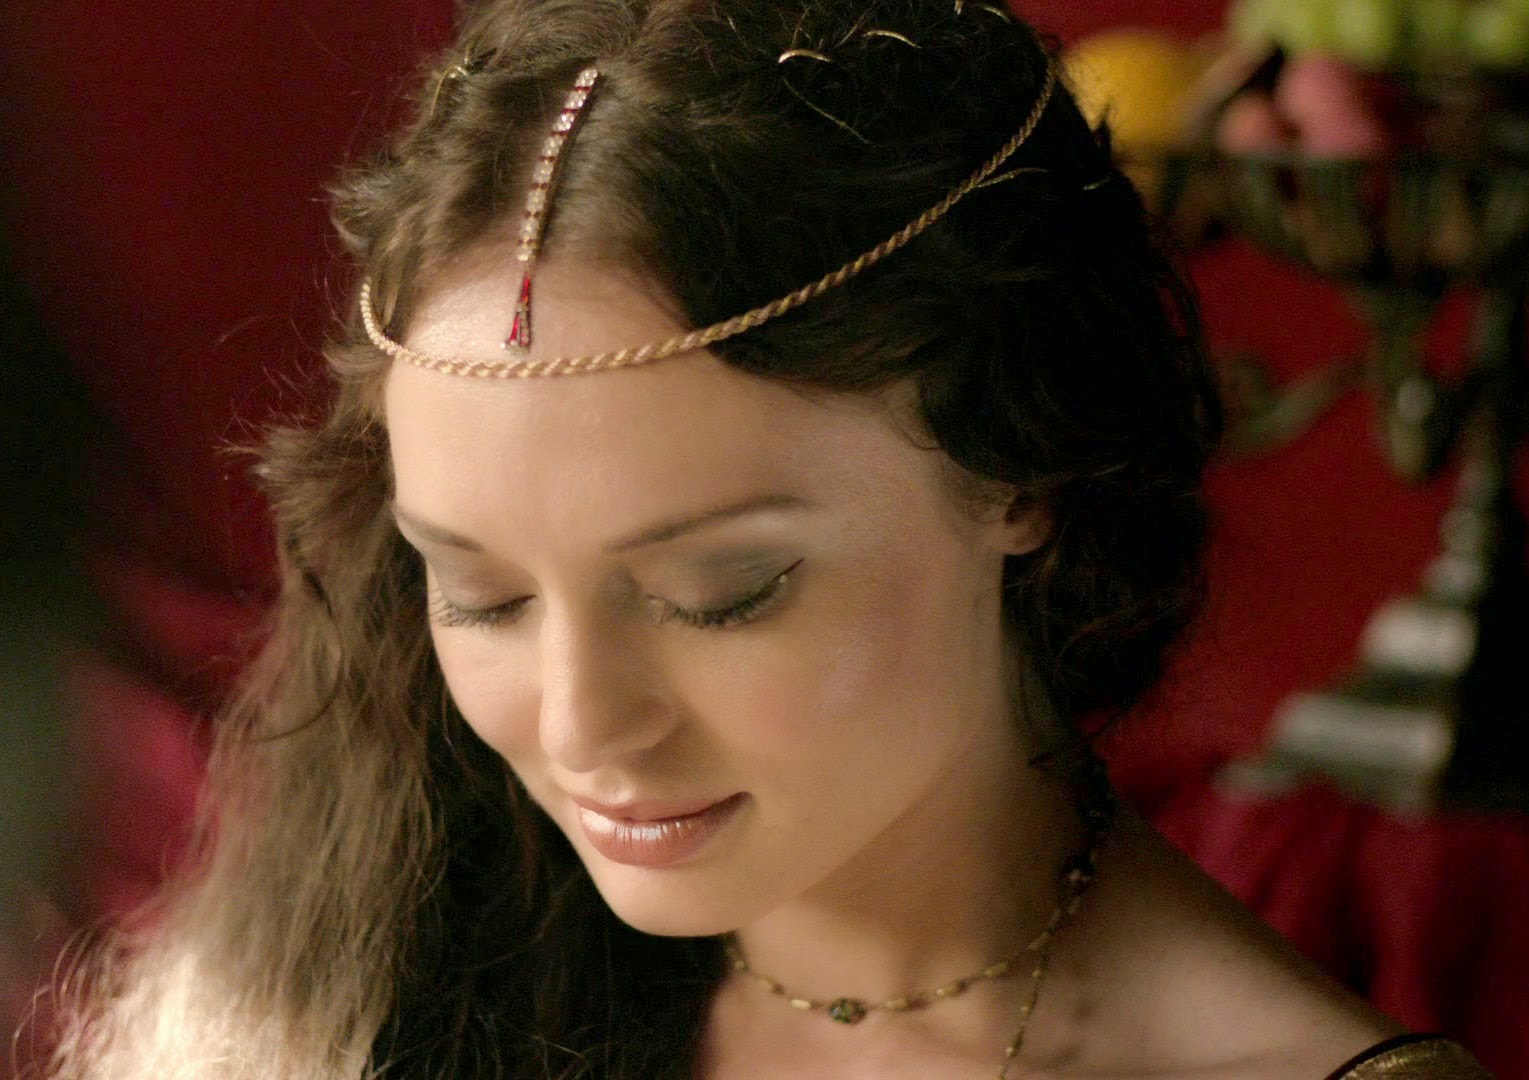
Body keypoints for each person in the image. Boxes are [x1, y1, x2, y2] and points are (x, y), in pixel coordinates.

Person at [37, 0, 1491, 1076]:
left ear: (1018, 473)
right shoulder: (374, 996)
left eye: (719, 593)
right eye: (478, 594)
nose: (583, 726)